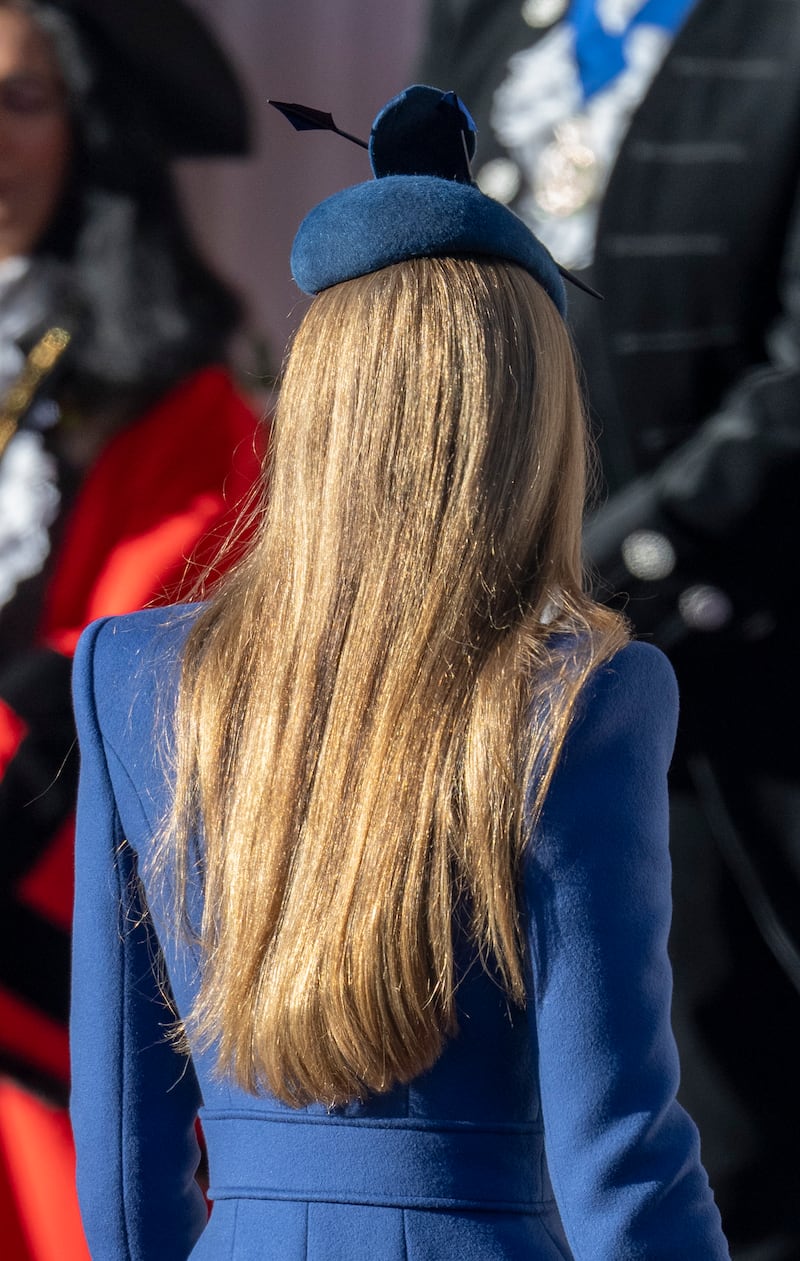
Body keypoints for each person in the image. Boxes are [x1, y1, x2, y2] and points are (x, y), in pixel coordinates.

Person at [69, 85, 730, 1260]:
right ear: (531, 421)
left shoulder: (135, 671)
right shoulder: (582, 696)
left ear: (317, 406)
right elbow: (616, 1147)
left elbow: (122, 1143)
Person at [418, 4, 800, 1257]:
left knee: (712, 1144)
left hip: (725, 703)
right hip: (475, 681)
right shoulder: (483, 24)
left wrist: (592, 584)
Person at [0, 1, 264, 1257]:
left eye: (20, 98)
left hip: (38, 984)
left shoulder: (179, 405)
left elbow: (130, 662)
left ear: (87, 130)